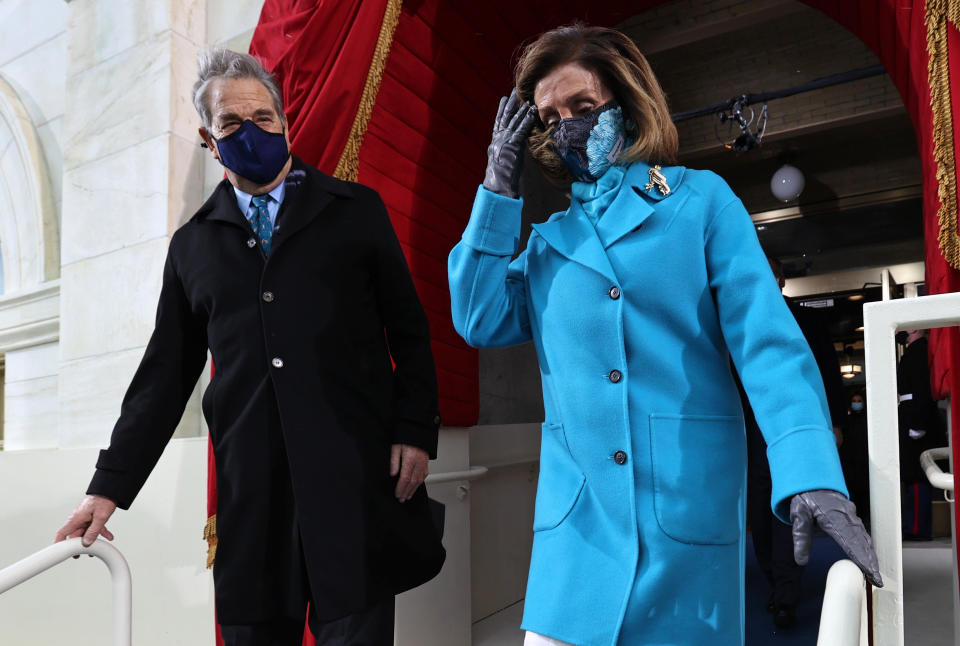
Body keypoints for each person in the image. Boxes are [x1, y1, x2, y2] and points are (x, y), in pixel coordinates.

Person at [448, 24, 880, 646]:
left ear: (624, 105)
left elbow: (767, 344)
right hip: (578, 534)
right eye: (549, 116)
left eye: (583, 107)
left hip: (685, 515)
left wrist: (810, 466)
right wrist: (496, 190)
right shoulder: (547, 243)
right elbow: (477, 318)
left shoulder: (701, 202)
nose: (566, 124)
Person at [54, 48, 445, 646]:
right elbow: (164, 377)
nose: (251, 132)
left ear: (284, 122)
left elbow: (411, 331)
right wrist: (106, 489)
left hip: (351, 478)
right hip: (252, 493)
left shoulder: (354, 211)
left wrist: (414, 430)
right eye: (232, 124)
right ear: (210, 141)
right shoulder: (192, 247)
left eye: (263, 117)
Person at [743, 257, 848, 629]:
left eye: (769, 274)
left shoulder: (808, 319)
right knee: (759, 505)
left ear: (781, 279)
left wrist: (834, 422)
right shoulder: (740, 320)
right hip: (752, 430)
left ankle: (785, 593)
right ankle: (774, 579)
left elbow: (828, 373)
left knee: (787, 503)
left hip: (797, 425)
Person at [898, 329, 947, 541]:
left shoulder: (918, 352)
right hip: (913, 416)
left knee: (917, 476)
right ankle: (915, 524)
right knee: (913, 476)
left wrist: (917, 424)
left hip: (917, 420)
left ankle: (918, 527)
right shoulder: (915, 351)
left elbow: (921, 389)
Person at [841, 390, 870, 530]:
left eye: (860, 401)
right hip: (851, 465)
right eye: (855, 401)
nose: (857, 404)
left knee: (866, 495)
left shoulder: (868, 422)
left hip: (865, 464)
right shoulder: (847, 423)